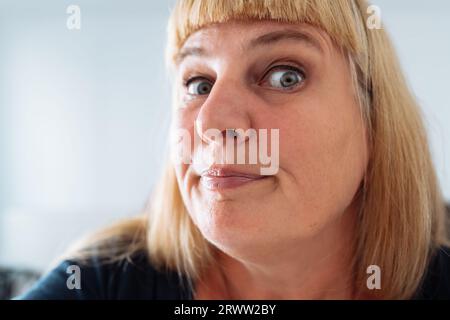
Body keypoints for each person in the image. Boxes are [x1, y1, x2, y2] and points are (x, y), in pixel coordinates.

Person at [20, 0, 450, 300]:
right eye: (199, 84)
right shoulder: (99, 283)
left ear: (374, 124)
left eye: (284, 76)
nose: (210, 121)